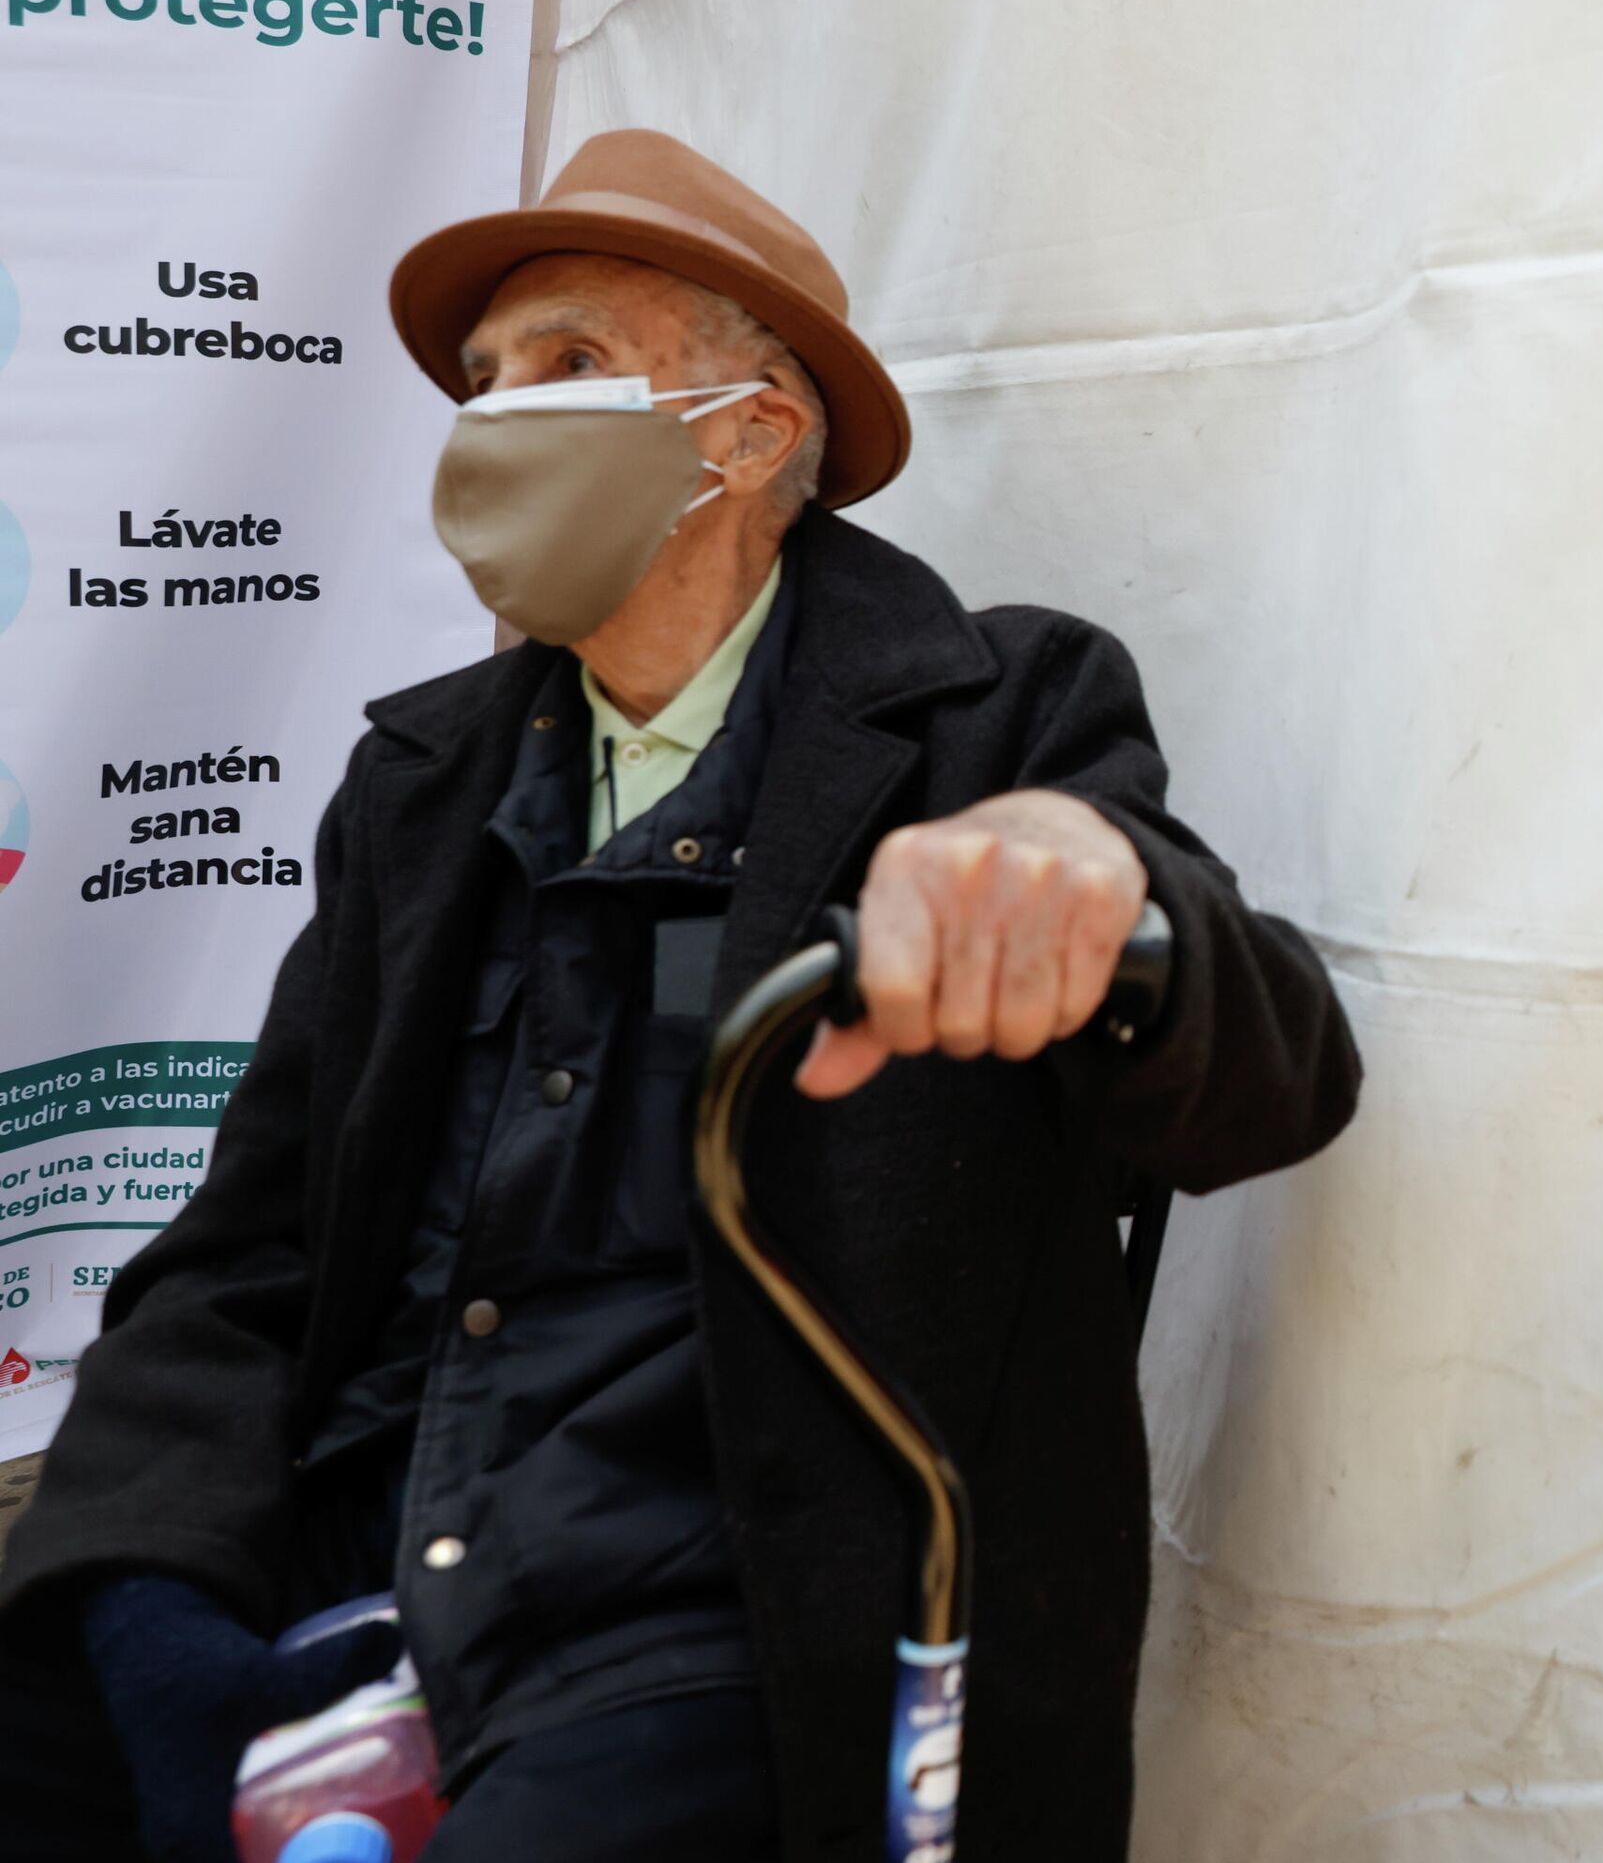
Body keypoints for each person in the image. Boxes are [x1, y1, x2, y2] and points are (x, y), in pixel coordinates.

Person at [0, 132, 1361, 1863]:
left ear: (751, 437)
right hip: (371, 1534)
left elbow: (1276, 1082)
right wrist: (139, 1592)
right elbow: (247, 1251)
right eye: (482, 380)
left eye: (565, 361)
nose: (493, 419)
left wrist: (1102, 886)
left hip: (740, 1602)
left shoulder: (992, 718)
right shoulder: (420, 782)